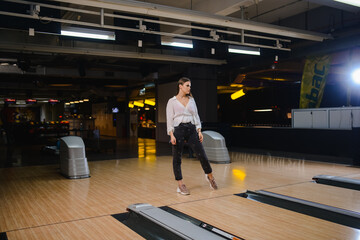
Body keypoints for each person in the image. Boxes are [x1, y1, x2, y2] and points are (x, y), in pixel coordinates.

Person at [166, 77, 218, 195]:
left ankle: (210, 177)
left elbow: (196, 116)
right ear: (180, 86)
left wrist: (199, 130)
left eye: (190, 86)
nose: (189, 88)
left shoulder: (192, 100)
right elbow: (169, 120)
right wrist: (171, 134)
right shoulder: (172, 101)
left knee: (202, 154)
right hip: (178, 130)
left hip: (191, 129)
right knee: (177, 158)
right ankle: (180, 185)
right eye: (187, 85)